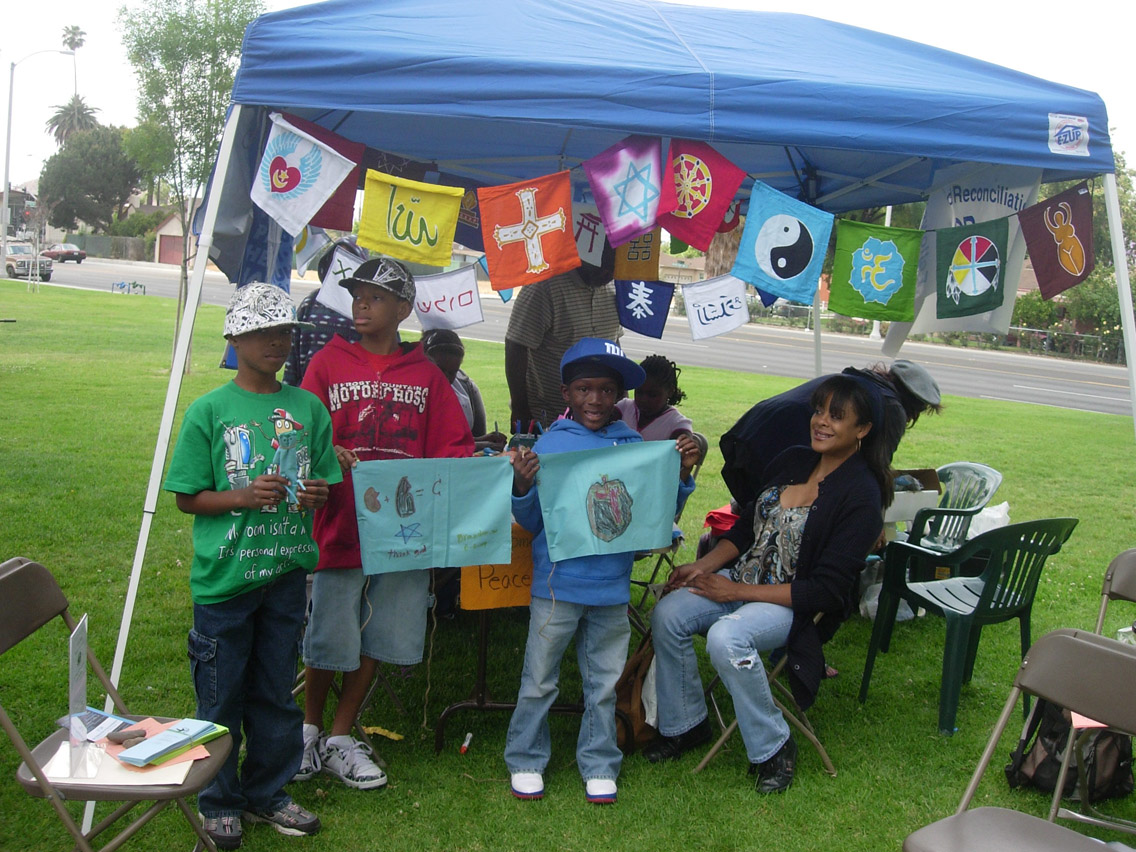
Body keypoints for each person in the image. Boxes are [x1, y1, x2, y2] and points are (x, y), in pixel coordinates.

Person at [644, 374, 892, 794]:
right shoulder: (793, 459)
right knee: (668, 613)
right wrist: (702, 567)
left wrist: (735, 593)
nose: (821, 422)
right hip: (741, 580)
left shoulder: (862, 495)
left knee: (727, 638)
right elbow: (744, 532)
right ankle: (686, 724)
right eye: (818, 411)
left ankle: (774, 747)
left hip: (789, 602)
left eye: (836, 415)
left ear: (862, 430)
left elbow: (826, 591)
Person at [164, 283, 339, 849]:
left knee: (274, 693)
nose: (276, 342)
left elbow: (326, 486)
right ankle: (218, 801)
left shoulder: (308, 407)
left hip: (285, 574)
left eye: (284, 331)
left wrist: (314, 496)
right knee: (220, 697)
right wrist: (242, 496)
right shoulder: (210, 411)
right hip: (225, 582)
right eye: (263, 332)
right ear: (234, 337)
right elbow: (187, 497)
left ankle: (268, 793)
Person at [297, 258, 474, 790]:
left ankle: (341, 735)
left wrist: (495, 470)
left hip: (402, 532)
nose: (362, 304)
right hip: (338, 525)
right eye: (357, 295)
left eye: (376, 297)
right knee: (328, 631)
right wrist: (331, 452)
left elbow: (454, 449)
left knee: (382, 633)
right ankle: (307, 731)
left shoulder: (425, 375)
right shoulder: (327, 364)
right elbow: (301, 434)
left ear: (403, 308)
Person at [505, 337, 701, 805]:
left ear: (619, 395)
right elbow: (532, 523)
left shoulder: (633, 445)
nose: (595, 399)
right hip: (558, 586)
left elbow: (654, 518)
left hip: (611, 588)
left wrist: (680, 476)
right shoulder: (551, 444)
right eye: (584, 389)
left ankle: (598, 761)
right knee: (539, 679)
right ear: (567, 392)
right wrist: (523, 484)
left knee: (604, 683)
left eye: (607, 389)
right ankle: (526, 758)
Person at [719, 360, 941, 505]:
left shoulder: (857, 380)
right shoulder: (891, 406)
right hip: (772, 449)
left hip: (748, 434)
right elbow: (876, 467)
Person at [504, 252, 622, 430]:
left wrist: (621, 399)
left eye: (614, 267)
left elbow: (614, 344)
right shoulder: (544, 285)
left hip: (601, 416)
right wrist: (520, 408)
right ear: (585, 254)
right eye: (604, 265)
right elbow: (516, 346)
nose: (609, 273)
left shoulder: (613, 287)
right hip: (548, 417)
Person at [282, 237, 368, 387]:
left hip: (353, 398)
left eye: (347, 258)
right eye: (335, 257)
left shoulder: (368, 307)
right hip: (308, 394)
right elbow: (293, 354)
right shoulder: (311, 301)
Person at [421, 328, 508, 453]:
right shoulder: (418, 396)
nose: (446, 378)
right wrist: (482, 445)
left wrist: (480, 440)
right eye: (440, 370)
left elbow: (450, 440)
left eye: (452, 372)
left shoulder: (462, 388)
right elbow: (436, 447)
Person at [615, 353, 693, 441]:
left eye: (652, 395)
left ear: (670, 391)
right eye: (639, 392)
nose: (644, 400)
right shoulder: (624, 408)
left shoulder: (676, 423)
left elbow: (686, 441)